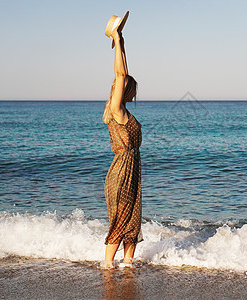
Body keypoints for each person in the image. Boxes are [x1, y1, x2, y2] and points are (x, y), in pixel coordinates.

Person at [102, 27, 142, 268]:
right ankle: (107, 267)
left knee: (133, 222)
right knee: (120, 221)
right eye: (132, 86)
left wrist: (123, 43)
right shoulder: (117, 112)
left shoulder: (124, 111)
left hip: (134, 173)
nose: (136, 91)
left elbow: (124, 74)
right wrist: (116, 39)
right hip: (121, 173)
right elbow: (120, 75)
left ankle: (127, 267)